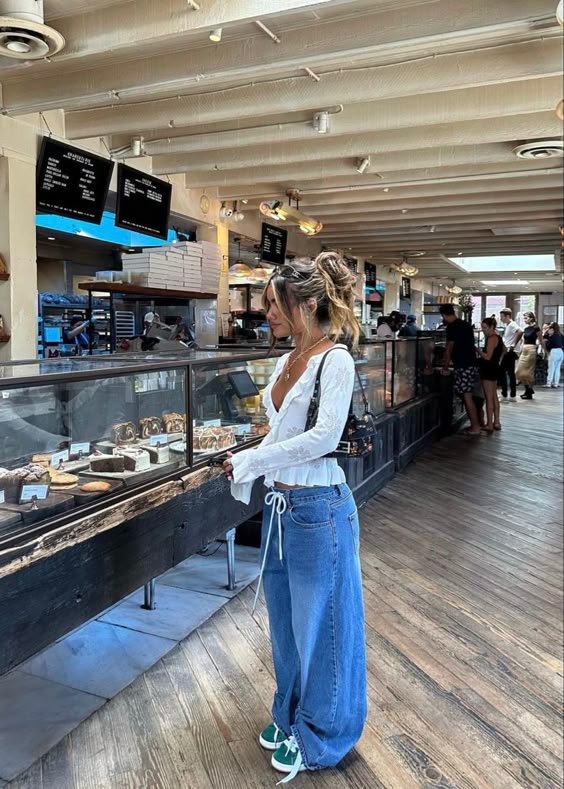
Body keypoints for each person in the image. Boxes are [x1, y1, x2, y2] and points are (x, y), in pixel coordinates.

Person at [222, 253, 367, 782]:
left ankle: (323, 735)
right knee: (285, 627)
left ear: (306, 304)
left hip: (319, 510)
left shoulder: (336, 360)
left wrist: (251, 460)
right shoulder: (287, 360)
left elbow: (325, 438)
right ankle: (289, 715)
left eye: (274, 305)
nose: (267, 315)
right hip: (282, 509)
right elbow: (283, 433)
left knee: (322, 628)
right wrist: (249, 456)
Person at [440, 303, 481, 436]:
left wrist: (445, 367)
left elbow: (449, 347)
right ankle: (479, 422)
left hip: (463, 365)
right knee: (470, 395)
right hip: (472, 363)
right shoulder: (466, 324)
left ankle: (475, 427)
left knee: (467, 396)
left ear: (444, 315)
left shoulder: (451, 327)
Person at [477, 317, 504, 432]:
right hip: (494, 368)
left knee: (488, 398)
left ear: (492, 327)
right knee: (494, 397)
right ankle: (496, 422)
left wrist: (477, 350)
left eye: (485, 327)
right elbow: (505, 350)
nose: (483, 330)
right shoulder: (498, 337)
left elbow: (487, 357)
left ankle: (489, 424)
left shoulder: (491, 338)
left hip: (488, 369)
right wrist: (498, 361)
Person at [515, 311, 544, 399]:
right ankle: (528, 389)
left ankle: (529, 392)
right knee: (518, 372)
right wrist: (520, 349)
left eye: (526, 318)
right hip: (524, 350)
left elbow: (541, 340)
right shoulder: (526, 328)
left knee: (529, 373)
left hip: (531, 349)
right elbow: (523, 340)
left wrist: (544, 351)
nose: (524, 320)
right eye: (524, 318)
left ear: (531, 318)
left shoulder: (536, 328)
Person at [498, 308, 522, 401]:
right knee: (510, 373)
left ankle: (505, 394)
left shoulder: (512, 324)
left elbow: (520, 331)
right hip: (509, 352)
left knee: (503, 372)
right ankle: (511, 395)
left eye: (502, 317)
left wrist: (513, 345)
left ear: (507, 316)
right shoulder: (509, 325)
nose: (501, 319)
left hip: (509, 352)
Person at [544, 322, 563, 388]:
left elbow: (548, 345)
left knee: (551, 368)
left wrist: (546, 343)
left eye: (549, 328)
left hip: (554, 351)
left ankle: (549, 383)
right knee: (557, 369)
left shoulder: (552, 336)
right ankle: (556, 383)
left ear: (552, 328)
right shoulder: (561, 335)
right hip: (561, 352)